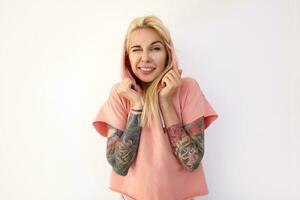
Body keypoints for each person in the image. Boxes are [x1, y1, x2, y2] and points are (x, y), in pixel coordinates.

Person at [92, 15, 218, 200]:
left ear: (168, 53)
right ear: (127, 57)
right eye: (136, 49)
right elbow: (119, 165)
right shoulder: (120, 94)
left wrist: (165, 102)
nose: (145, 58)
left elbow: (191, 161)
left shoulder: (188, 88)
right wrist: (137, 106)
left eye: (155, 49)